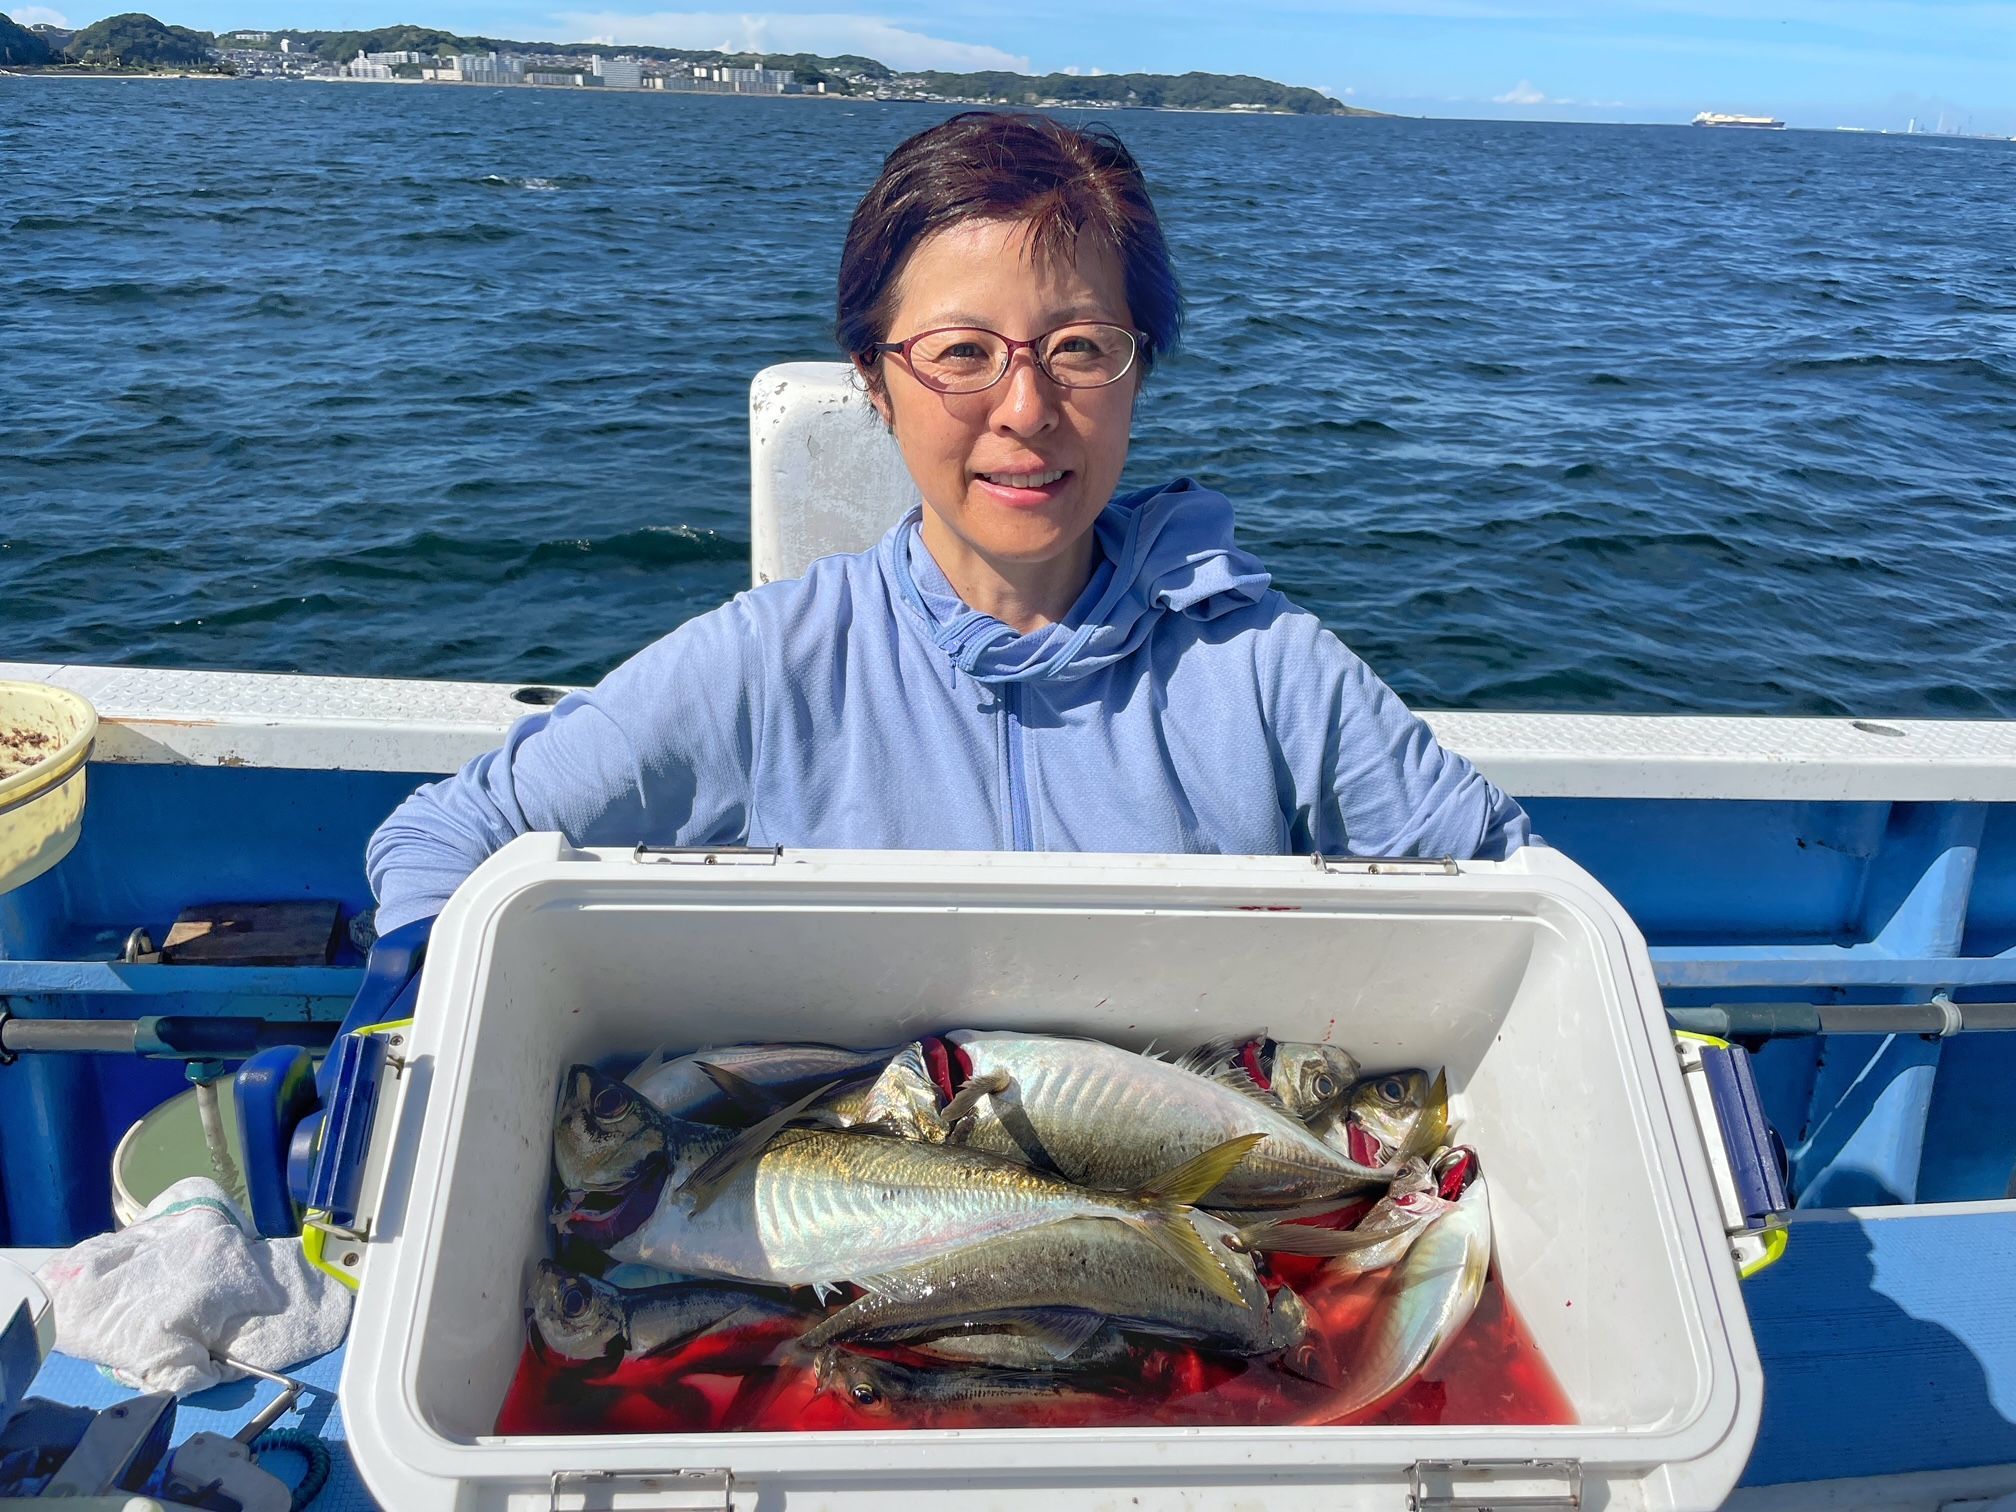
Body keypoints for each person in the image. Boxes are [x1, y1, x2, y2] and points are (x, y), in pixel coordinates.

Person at [365, 111, 1530, 936]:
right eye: (963, 353)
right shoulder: (772, 664)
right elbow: (444, 839)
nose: (1026, 409)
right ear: (875, 382)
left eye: (1080, 347)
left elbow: (1511, 896)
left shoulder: (1265, 673)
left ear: (1140, 370)